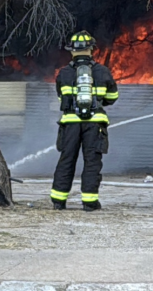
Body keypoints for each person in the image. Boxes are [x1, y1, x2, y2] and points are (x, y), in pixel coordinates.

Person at [50, 31, 118, 211]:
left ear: (72, 51)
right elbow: (113, 97)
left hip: (70, 123)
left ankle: (58, 200)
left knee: (66, 159)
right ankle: (89, 202)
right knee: (92, 161)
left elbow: (61, 99)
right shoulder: (102, 71)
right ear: (91, 50)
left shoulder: (64, 73)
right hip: (95, 123)